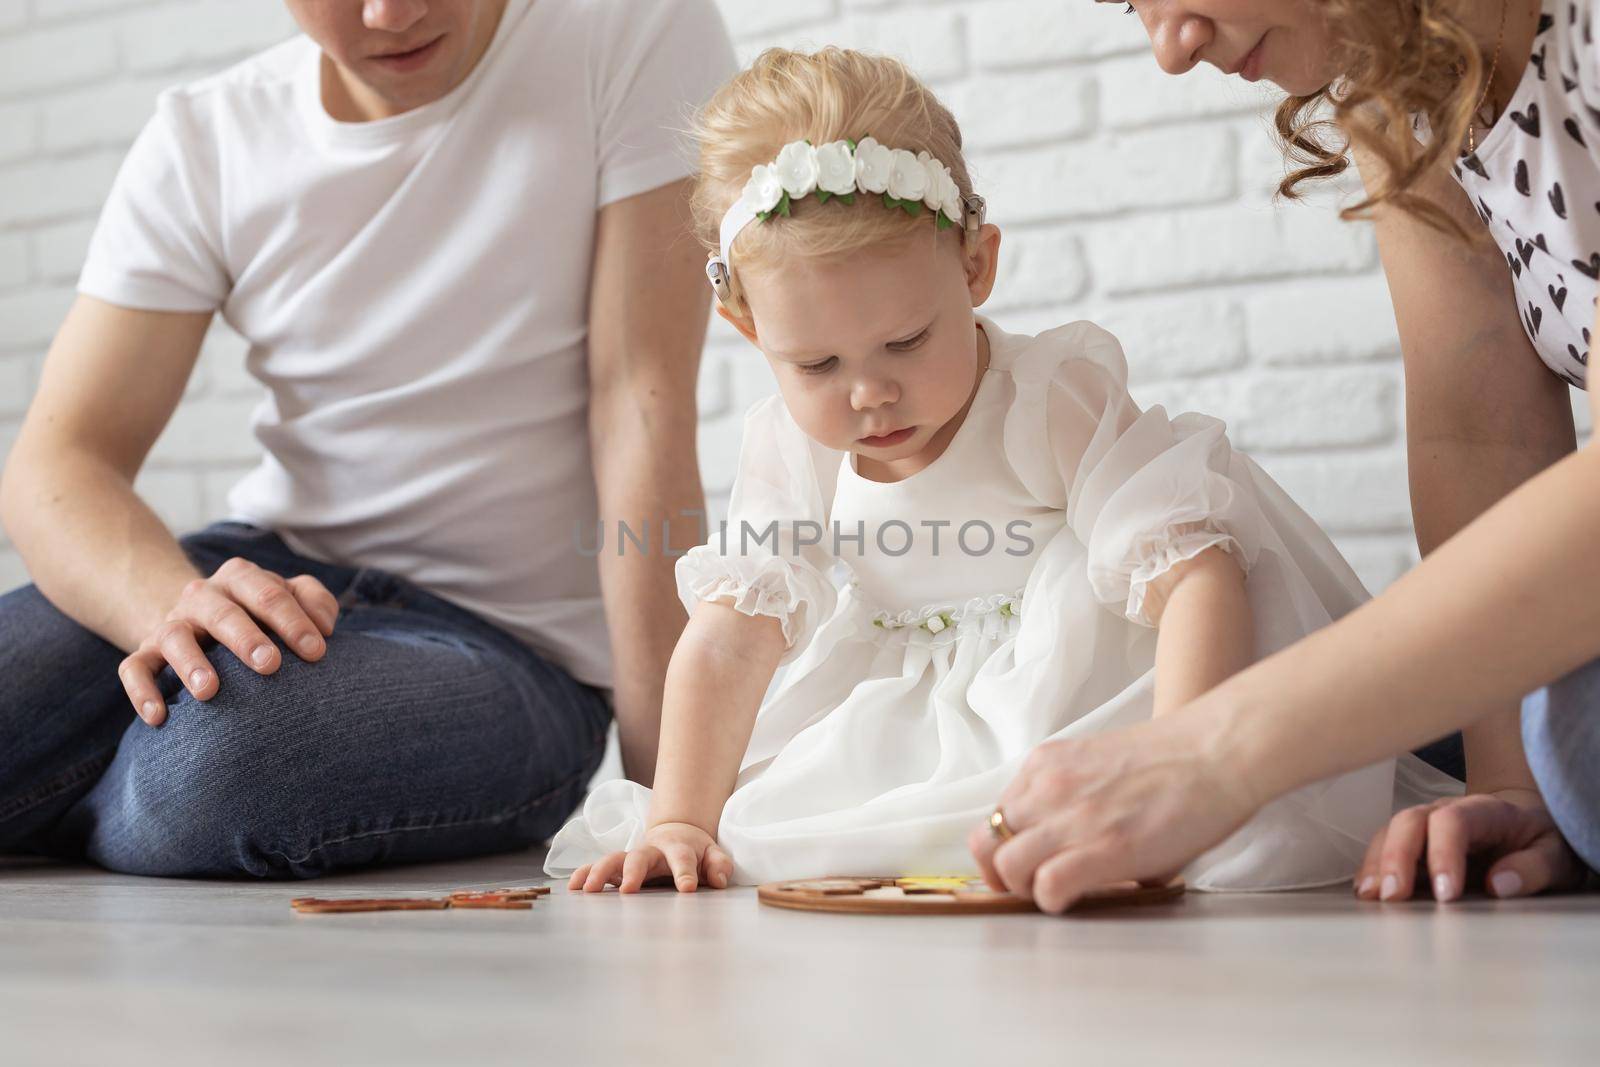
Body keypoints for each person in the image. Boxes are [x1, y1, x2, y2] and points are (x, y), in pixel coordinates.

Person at [542, 47, 1459, 894]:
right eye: (816, 365)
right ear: (751, 332)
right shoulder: (789, 444)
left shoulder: (1046, 396)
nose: (868, 394)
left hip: (1091, 697)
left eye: (906, 341)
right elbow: (732, 637)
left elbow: (1197, 579)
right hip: (916, 723)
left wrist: (1176, 778)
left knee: (1213, 819)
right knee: (793, 836)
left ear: (976, 268)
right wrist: (677, 816)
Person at [0, 0, 735, 878]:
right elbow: (61, 458)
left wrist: (668, 805)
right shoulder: (210, 134)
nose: (396, 13)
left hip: (513, 651)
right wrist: (170, 603)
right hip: (275, 573)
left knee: (214, 771)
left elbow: (640, 412)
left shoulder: (633, 32)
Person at [972, 0, 1598, 913]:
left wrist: (1215, 752)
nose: (1171, 48)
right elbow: (1480, 429)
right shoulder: (1410, 87)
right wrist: (1513, 790)